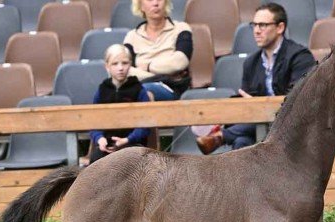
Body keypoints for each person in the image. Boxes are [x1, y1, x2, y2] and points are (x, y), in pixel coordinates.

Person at [196, 2, 316, 154]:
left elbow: (298, 100)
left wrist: (258, 104)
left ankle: (222, 136)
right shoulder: (251, 63)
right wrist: (249, 103)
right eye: (254, 25)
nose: (256, 31)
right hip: (258, 125)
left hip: (292, 125)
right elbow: (248, 101)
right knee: (241, 141)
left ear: (280, 28)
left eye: (263, 25)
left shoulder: (300, 57)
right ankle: (238, 175)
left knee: (257, 122)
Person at [88, 44, 151, 164]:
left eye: (125, 63)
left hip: (132, 144)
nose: (120, 68)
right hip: (107, 144)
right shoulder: (102, 90)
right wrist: (100, 139)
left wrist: (127, 139)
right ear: (107, 66)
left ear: (130, 64)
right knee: (95, 162)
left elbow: (145, 124)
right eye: (115, 64)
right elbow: (94, 122)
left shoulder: (139, 89)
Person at [123, 0, 193, 101]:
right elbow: (126, 70)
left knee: (143, 92)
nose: (155, 3)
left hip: (171, 87)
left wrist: (147, 66)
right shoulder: (132, 36)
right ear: (141, 6)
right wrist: (162, 75)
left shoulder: (181, 29)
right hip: (140, 85)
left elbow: (180, 62)